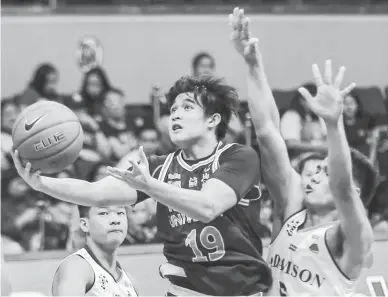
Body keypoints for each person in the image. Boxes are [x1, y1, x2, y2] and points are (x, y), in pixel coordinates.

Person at [13, 75, 272, 296]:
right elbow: (97, 193)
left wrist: (151, 187)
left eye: (187, 107)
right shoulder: (158, 166)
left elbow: (207, 206)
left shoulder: (238, 157)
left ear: (213, 120)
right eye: (173, 110)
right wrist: (41, 183)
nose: (175, 114)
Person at [230, 7, 377, 296]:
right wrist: (252, 64)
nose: (312, 175)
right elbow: (268, 131)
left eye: (324, 172)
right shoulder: (294, 207)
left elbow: (342, 187)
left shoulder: (351, 240)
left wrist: (333, 125)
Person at [52, 205, 138, 296]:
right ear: (84, 224)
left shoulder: (130, 282)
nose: (115, 220)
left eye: (120, 213)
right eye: (103, 213)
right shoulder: (76, 268)